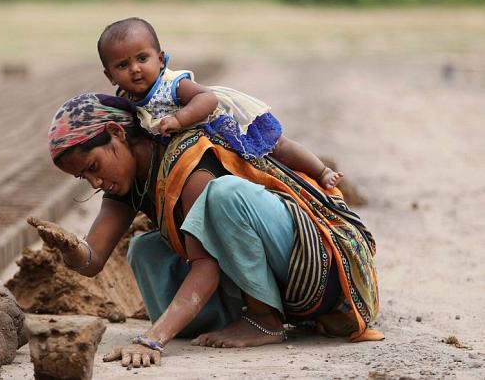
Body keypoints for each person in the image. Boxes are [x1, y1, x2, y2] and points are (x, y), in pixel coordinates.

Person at [30, 92, 382, 369]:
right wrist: (70, 248)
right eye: (84, 178)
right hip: (277, 265)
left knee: (222, 196)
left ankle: (265, 320)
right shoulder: (124, 185)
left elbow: (206, 265)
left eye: (94, 166)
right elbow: (92, 259)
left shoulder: (187, 161)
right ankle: (229, 318)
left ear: (116, 133)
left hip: (322, 266)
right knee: (146, 251)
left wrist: (152, 339)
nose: (95, 181)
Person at [97, 17, 343, 190]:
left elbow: (207, 98)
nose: (135, 69)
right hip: (190, 148)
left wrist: (178, 119)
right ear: (109, 75)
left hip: (219, 124)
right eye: (122, 65)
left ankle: (321, 171)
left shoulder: (171, 85)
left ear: (160, 60)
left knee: (275, 145)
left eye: (142, 58)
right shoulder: (125, 98)